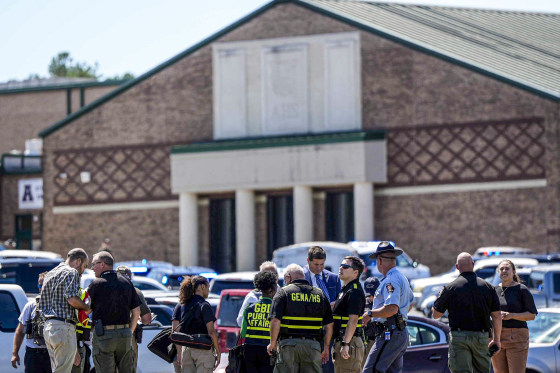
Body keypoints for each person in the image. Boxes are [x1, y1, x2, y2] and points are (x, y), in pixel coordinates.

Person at [432, 252, 502, 373]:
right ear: (473, 264)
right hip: (482, 337)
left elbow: (436, 315)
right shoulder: (488, 287)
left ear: (457, 267)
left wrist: (439, 298)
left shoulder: (450, 288)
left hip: (459, 337)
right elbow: (496, 316)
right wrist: (496, 340)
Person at [267, 263, 334, 373]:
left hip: (288, 346)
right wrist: (326, 347)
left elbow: (275, 320)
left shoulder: (283, 293)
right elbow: (329, 325)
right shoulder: (319, 294)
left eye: (285, 279)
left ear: (288, 277)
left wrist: (272, 343)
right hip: (313, 347)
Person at [37, 248, 91, 373]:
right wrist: (86, 308)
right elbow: (72, 299)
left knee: (57, 369)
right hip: (63, 327)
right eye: (84, 266)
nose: (83, 270)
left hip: (48, 328)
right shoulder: (72, 272)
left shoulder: (50, 273)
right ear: (78, 261)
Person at [361, 241, 411, 373]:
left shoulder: (390, 280)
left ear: (379, 260)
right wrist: (400, 319)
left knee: (370, 370)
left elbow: (392, 308)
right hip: (399, 332)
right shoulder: (401, 277)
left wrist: (370, 314)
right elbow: (411, 302)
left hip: (390, 333)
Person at [88, 251, 141, 373]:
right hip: (124, 335)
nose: (92, 268)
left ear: (102, 264)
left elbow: (86, 310)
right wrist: (129, 331)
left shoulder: (96, 284)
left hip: (104, 336)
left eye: (94, 264)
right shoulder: (127, 282)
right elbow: (136, 311)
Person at [491, 259, 537, 373]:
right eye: (501, 269)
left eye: (507, 268)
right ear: (498, 272)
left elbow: (532, 315)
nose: (504, 271)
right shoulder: (494, 290)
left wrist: (511, 315)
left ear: (514, 272)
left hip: (516, 337)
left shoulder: (522, 290)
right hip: (497, 337)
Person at [303, 246, 341, 373]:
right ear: (308, 261)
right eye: (316, 264)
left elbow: (339, 303)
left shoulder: (333, 279)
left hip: (328, 331)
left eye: (322, 264)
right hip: (307, 332)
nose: (319, 268)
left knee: (327, 368)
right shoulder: (300, 278)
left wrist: (335, 304)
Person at [172, 276, 220, 373]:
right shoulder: (204, 305)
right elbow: (211, 332)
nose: (208, 290)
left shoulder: (183, 305)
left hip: (186, 349)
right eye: (208, 287)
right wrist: (218, 352)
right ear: (202, 286)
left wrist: (179, 352)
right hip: (203, 348)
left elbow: (175, 331)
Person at [11, 272, 52, 373]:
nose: (41, 288)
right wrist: (15, 353)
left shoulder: (59, 306)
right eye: (39, 285)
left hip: (52, 354)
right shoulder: (31, 305)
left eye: (44, 285)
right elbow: (20, 331)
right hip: (33, 354)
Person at [332, 256, 366, 373]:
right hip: (342, 340)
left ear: (355, 272)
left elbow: (353, 319)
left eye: (345, 266)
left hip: (349, 342)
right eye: (340, 266)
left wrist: (345, 343)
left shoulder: (354, 291)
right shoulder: (346, 290)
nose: (341, 268)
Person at [115, 265, 153, 371]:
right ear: (130, 278)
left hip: (106, 334)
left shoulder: (105, 289)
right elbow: (146, 319)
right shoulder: (135, 292)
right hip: (128, 334)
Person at [240, 271, 278, 373]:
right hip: (268, 350)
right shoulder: (275, 309)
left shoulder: (249, 307)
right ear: (271, 289)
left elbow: (243, 333)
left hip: (249, 350)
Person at [237, 261, 280, 327]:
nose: (270, 278)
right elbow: (240, 321)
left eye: (273, 274)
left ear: (278, 276)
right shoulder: (252, 296)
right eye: (266, 275)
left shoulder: (284, 294)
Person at [361, 277, 380, 369]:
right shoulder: (362, 303)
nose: (371, 297)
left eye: (373, 294)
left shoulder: (384, 304)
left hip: (379, 342)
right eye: (369, 295)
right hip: (365, 343)